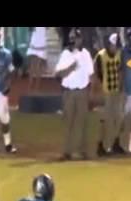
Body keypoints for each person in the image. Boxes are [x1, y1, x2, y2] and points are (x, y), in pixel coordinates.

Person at [55, 28, 94, 160]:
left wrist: (91, 92)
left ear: (81, 39)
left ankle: (81, 150)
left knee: (82, 122)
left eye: (77, 38)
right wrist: (71, 68)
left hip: (82, 91)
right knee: (68, 122)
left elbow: (91, 74)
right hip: (69, 92)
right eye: (73, 38)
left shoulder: (86, 54)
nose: (75, 41)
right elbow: (58, 74)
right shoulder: (65, 54)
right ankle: (66, 151)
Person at [95, 33, 125, 157]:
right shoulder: (100, 56)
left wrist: (121, 86)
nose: (116, 48)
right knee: (105, 120)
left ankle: (115, 143)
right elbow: (97, 74)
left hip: (116, 91)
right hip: (106, 91)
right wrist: (99, 92)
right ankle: (101, 145)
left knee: (119, 118)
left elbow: (121, 71)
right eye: (115, 45)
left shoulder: (120, 54)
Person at [27, 27, 48, 93]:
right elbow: (30, 30)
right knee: (33, 66)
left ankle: (36, 86)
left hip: (40, 43)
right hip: (35, 42)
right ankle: (31, 85)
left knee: (37, 67)